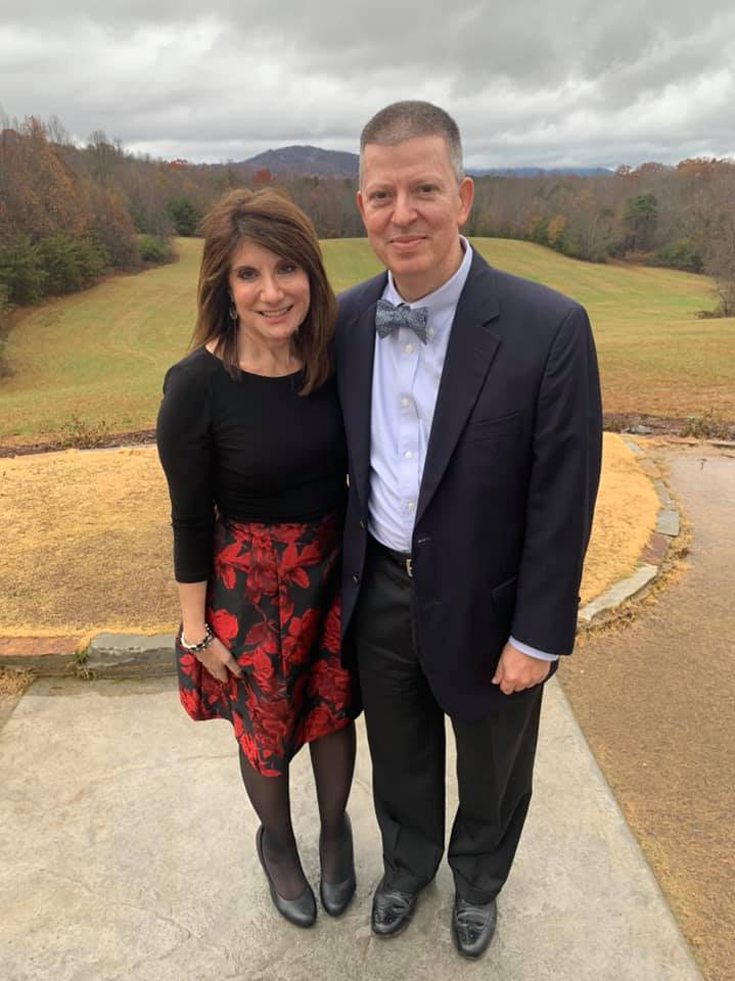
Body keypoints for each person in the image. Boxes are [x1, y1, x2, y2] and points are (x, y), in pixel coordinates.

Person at [335, 102, 602, 959]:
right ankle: (407, 864)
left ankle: (478, 879)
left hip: (492, 608)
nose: (401, 213)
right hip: (377, 584)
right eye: (382, 194)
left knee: (491, 766)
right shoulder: (341, 322)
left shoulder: (547, 326)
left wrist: (538, 631)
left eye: (423, 188)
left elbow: (564, 497)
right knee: (399, 749)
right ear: (361, 205)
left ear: (464, 194)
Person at [156, 188, 357, 929]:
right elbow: (185, 517)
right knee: (266, 726)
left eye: (285, 268)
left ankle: (335, 832)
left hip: (334, 569)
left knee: (333, 712)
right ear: (223, 287)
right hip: (248, 587)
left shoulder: (335, 358)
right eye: (248, 274)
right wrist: (194, 630)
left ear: (310, 272)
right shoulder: (196, 387)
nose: (271, 291)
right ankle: (277, 844)